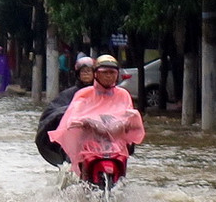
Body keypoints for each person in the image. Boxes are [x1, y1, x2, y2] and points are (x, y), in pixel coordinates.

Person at [48, 54, 145, 183]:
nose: (109, 76)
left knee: (122, 180)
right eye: (105, 72)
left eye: (112, 72)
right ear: (96, 74)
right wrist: (84, 122)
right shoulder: (84, 94)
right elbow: (74, 114)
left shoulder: (123, 94)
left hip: (116, 146)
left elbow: (128, 115)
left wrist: (132, 121)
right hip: (89, 145)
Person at [35, 55, 97, 166]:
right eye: (83, 71)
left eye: (89, 71)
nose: (86, 74)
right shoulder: (68, 94)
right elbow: (51, 113)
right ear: (78, 74)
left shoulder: (103, 93)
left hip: (98, 138)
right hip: (75, 137)